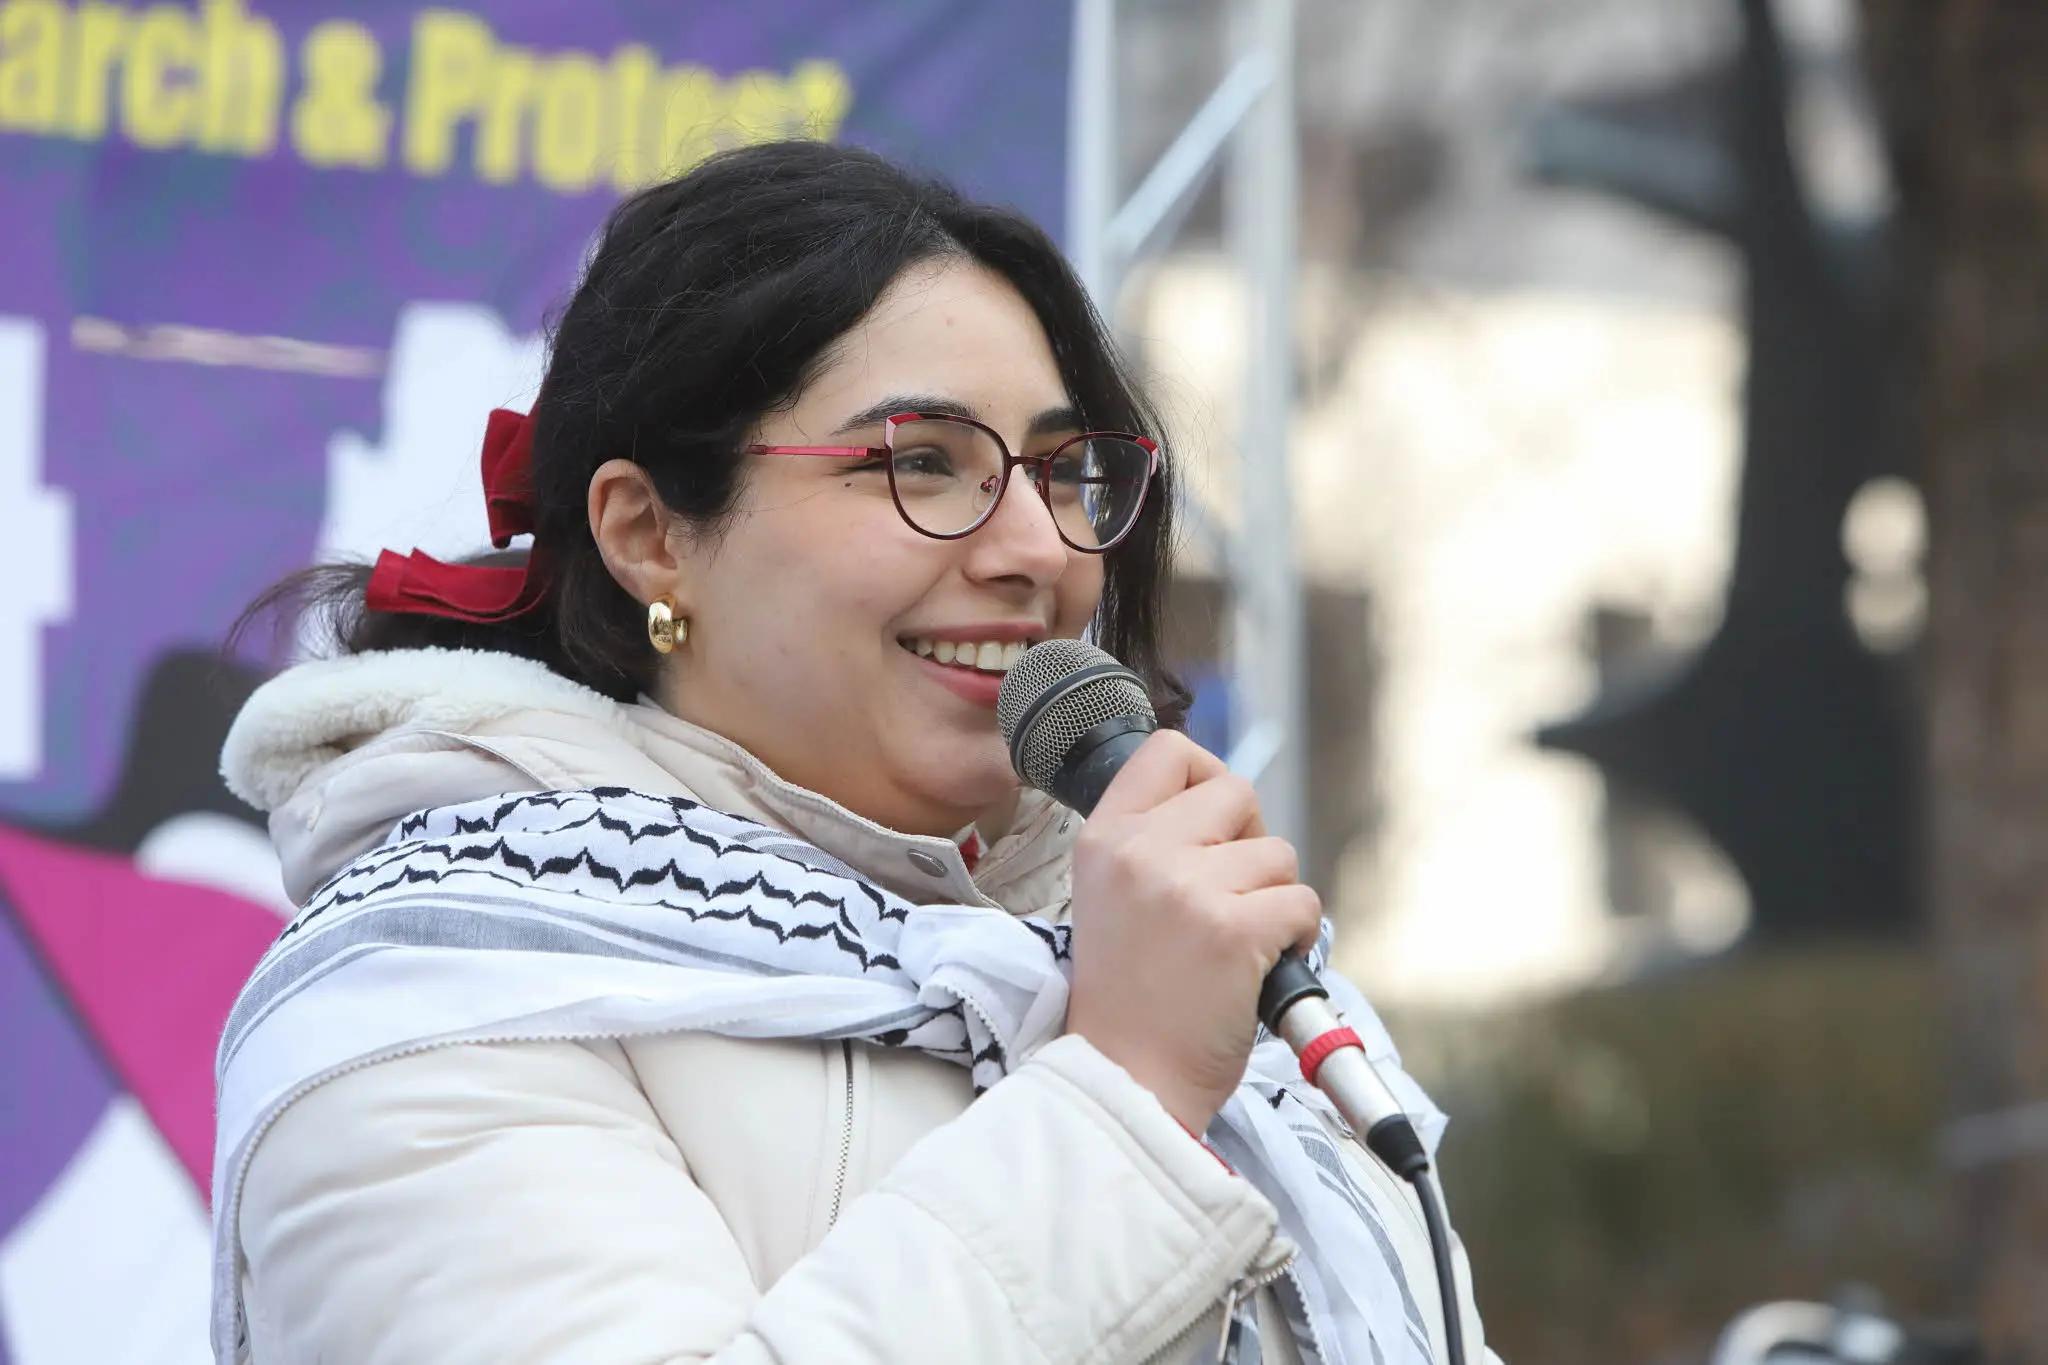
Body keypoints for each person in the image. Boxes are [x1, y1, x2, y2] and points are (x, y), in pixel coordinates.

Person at [210, 140, 1496, 1365]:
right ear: (649, 536)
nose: (1036, 550)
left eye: (1063, 472)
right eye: (922, 462)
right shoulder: (425, 1006)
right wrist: (1128, 1091)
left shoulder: (1193, 968)